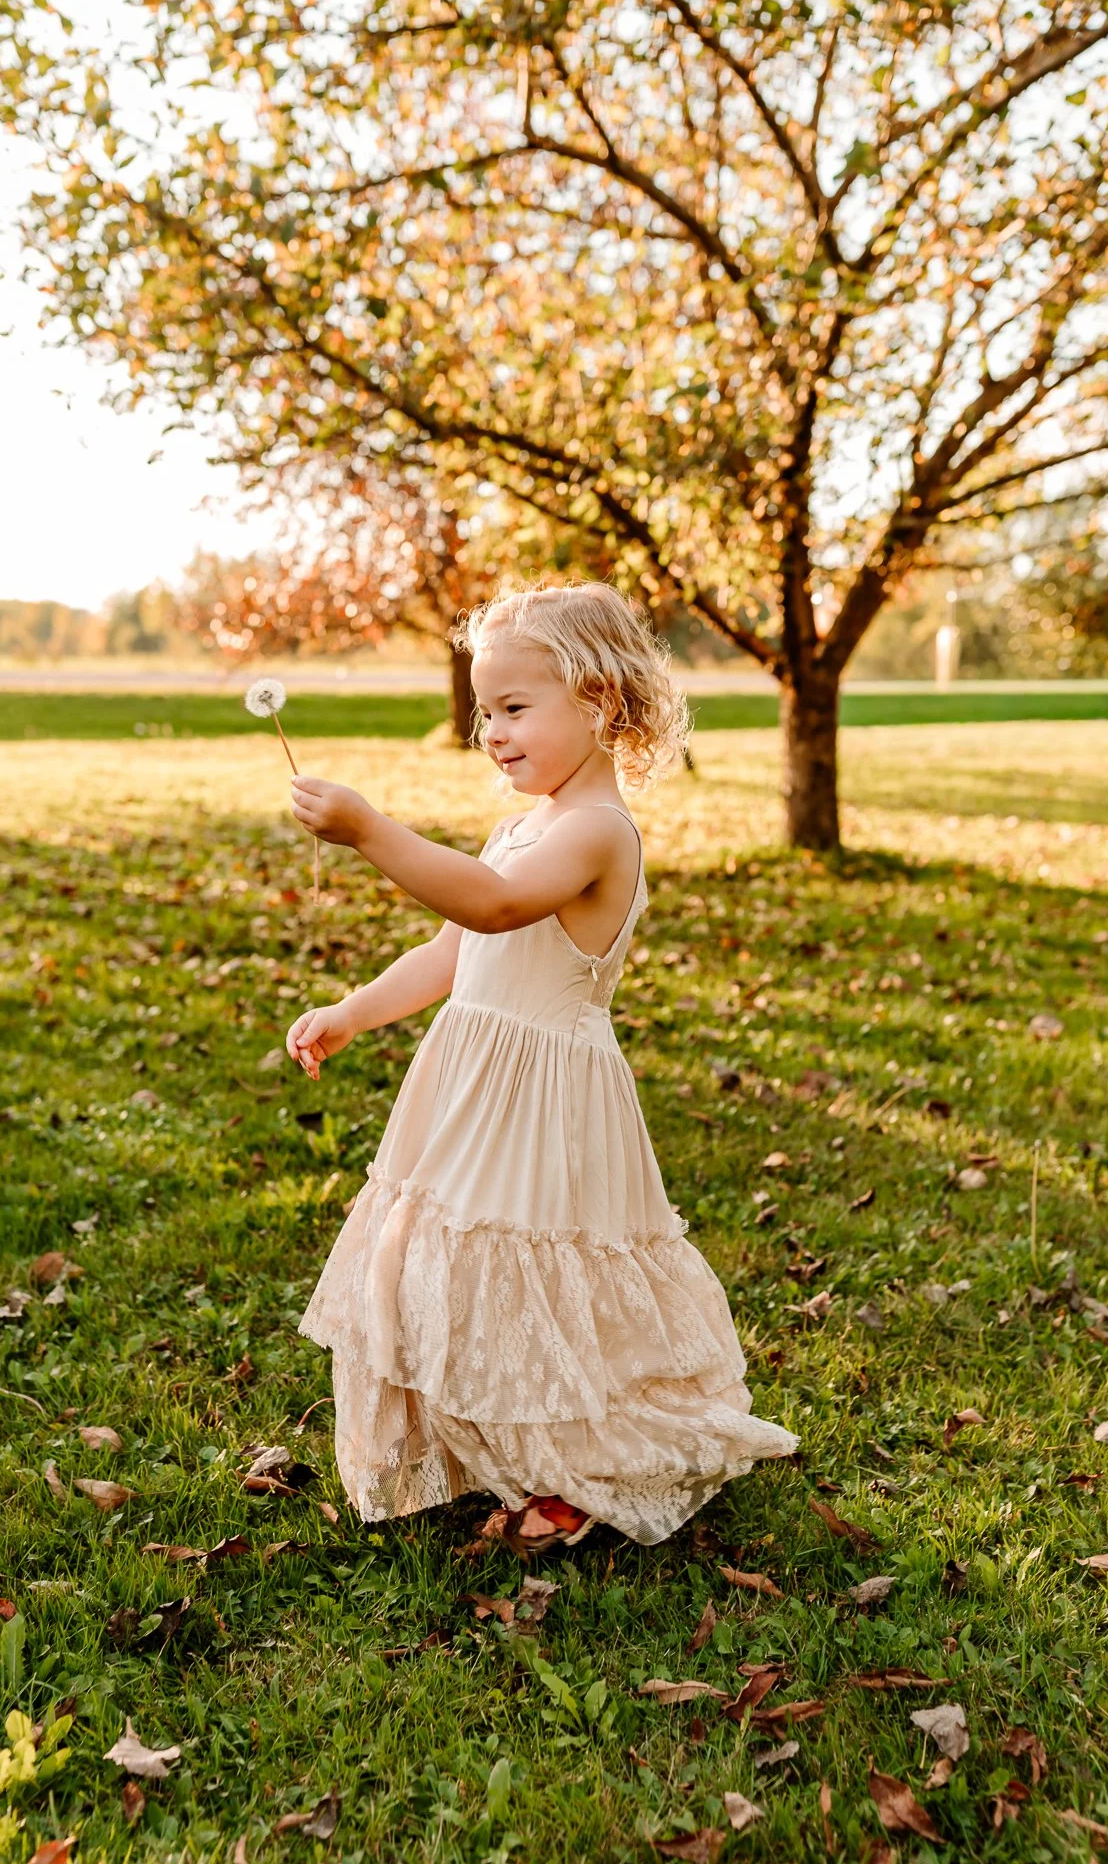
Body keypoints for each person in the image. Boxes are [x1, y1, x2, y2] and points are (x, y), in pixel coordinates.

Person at [286, 582, 798, 1552]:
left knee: (532, 1280)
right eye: (486, 710)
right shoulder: (525, 827)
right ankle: (475, 1441)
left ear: (600, 701)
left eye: (515, 707)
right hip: (471, 1084)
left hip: (543, 1099)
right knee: (429, 1254)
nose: (491, 731)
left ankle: (580, 1461)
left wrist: (369, 831)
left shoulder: (598, 833)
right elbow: (451, 950)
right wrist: (353, 1012)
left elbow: (493, 908)